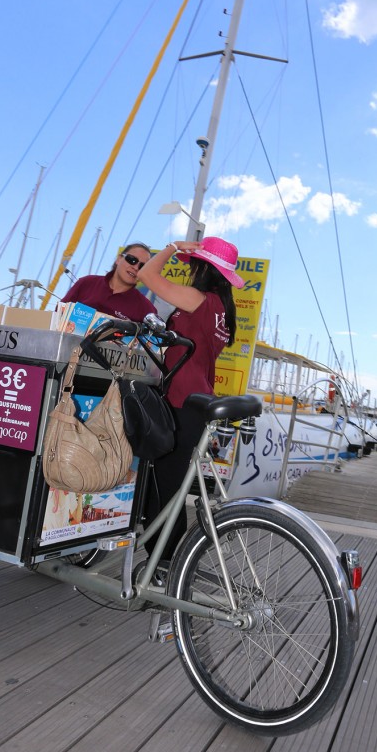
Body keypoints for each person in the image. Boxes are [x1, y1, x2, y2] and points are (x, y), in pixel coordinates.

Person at [137, 237, 243, 561]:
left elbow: (147, 275)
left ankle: (168, 565)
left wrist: (170, 247)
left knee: (163, 491)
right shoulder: (223, 309)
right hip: (195, 404)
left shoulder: (200, 299)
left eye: (193, 265)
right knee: (170, 490)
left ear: (202, 267)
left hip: (182, 403)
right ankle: (170, 564)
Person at [60, 242, 157, 320]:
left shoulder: (146, 309)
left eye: (142, 267)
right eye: (132, 260)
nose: (135, 267)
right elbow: (58, 315)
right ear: (119, 259)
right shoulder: (86, 283)